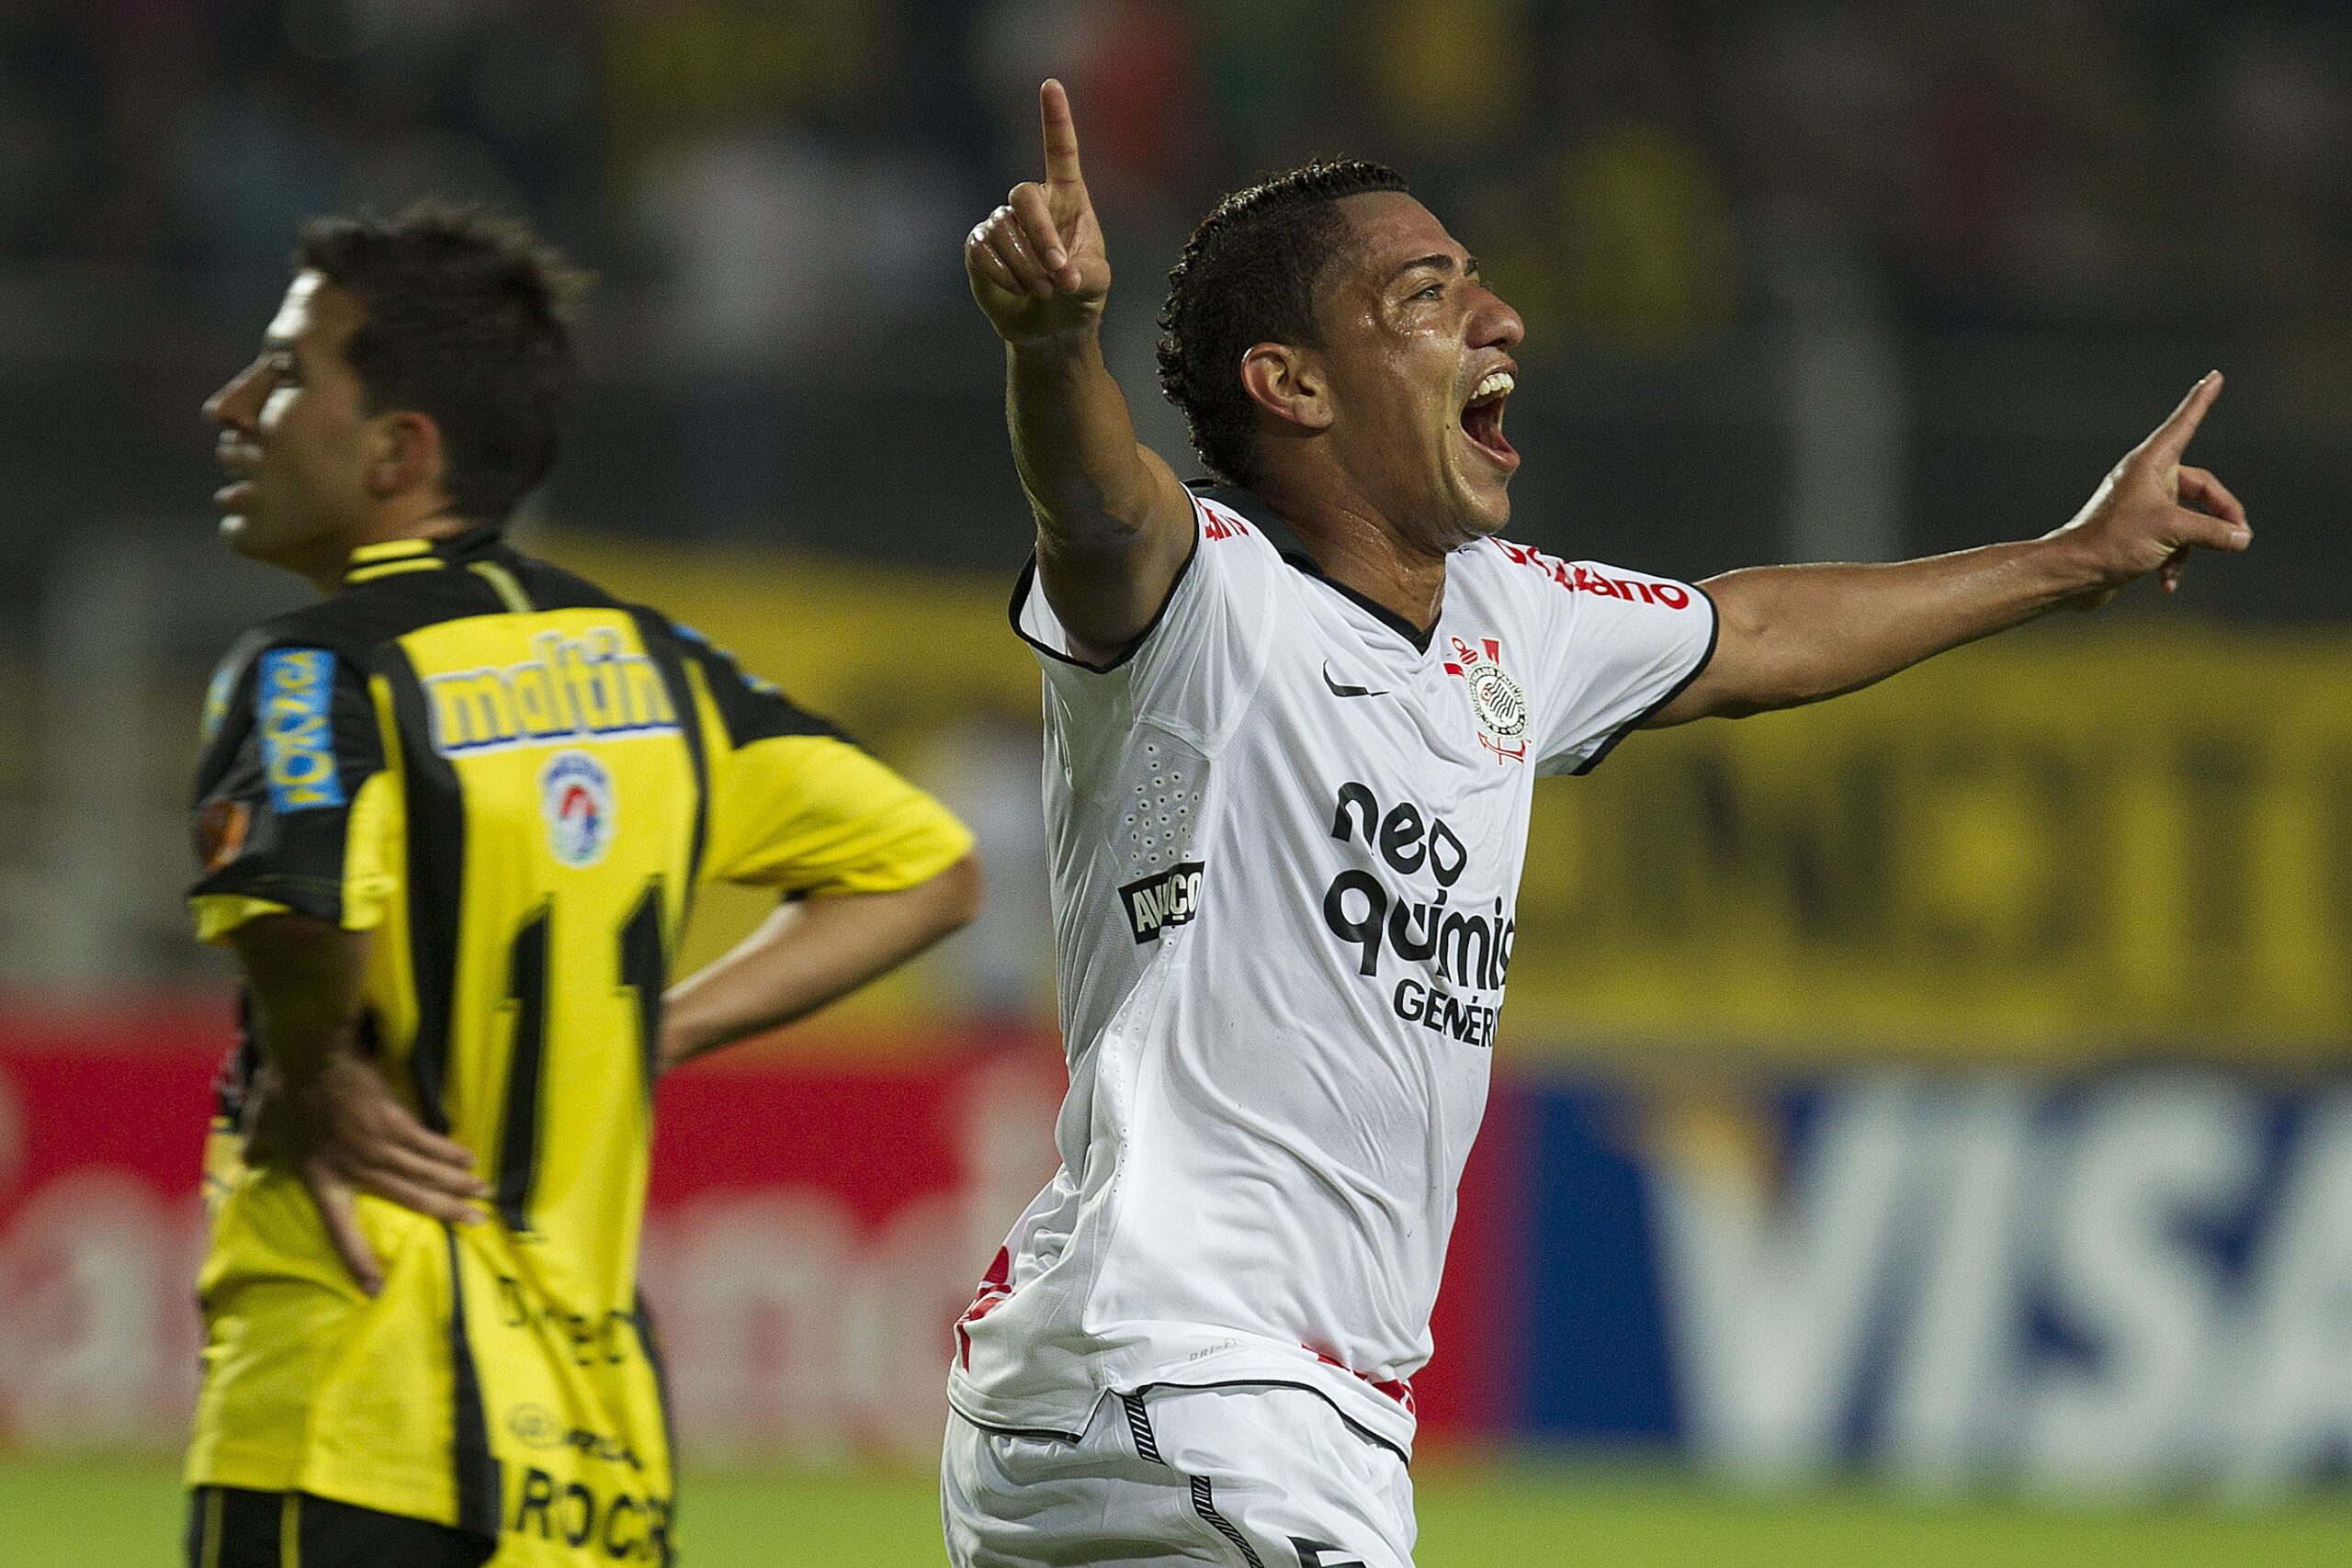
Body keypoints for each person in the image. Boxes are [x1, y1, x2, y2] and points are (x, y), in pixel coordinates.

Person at [944, 81, 2250, 1566]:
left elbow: (1751, 634)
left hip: (1262, 1411)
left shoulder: (1513, 621)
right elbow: (1100, 515)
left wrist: (2069, 561)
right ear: (1292, 384)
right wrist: (1053, 353)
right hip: (1185, 1375)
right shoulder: (1211, 599)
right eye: (1427, 296)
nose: (1498, 319)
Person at [185, 205, 980, 1568]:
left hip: (355, 1399)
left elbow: (298, 902)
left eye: (285, 371)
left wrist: (312, 1072)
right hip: (592, 1451)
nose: (234, 402)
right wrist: (640, 1031)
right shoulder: (659, 672)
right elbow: (928, 870)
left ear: (400, 449)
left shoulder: (312, 668)